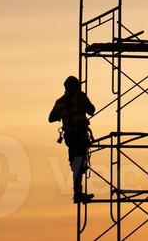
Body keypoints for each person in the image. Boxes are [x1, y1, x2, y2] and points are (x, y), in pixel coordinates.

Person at [49, 75, 97, 204]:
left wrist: (63, 115)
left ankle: (77, 192)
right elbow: (91, 110)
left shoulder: (60, 101)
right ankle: (78, 193)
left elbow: (51, 118)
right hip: (80, 134)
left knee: (76, 163)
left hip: (70, 136)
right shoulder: (79, 96)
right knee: (79, 163)